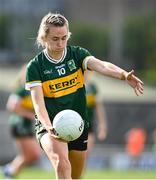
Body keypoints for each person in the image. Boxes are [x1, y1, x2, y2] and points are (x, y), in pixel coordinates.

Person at [25, 12, 144, 179]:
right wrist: (49, 126)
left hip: (77, 125)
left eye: (64, 38)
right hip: (49, 125)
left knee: (75, 176)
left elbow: (101, 65)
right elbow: (38, 105)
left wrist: (123, 75)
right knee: (62, 163)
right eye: (55, 39)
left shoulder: (77, 54)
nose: (61, 43)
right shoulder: (35, 67)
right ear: (44, 37)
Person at [1, 65, 41, 179]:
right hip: (19, 124)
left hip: (27, 126)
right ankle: (10, 171)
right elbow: (11, 106)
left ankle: (10, 170)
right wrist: (30, 115)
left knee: (31, 155)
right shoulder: (21, 91)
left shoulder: (35, 90)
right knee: (33, 154)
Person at [85, 71, 107, 157]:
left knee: (86, 152)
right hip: (74, 123)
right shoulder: (73, 85)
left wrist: (102, 125)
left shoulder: (92, 88)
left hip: (89, 124)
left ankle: (82, 171)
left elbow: (99, 107)